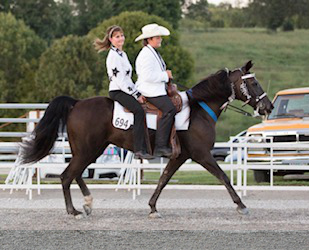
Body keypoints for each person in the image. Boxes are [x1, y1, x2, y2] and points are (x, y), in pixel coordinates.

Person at [94, 25, 153, 160]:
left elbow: (128, 79)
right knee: (138, 111)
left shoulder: (122, 54)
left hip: (125, 88)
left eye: (121, 35)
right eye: (117, 36)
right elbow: (120, 80)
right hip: (117, 90)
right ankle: (138, 148)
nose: (121, 38)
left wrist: (137, 90)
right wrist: (136, 95)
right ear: (111, 39)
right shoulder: (113, 56)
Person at [135, 23, 177, 158]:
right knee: (169, 109)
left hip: (155, 88)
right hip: (149, 90)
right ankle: (160, 146)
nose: (160, 39)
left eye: (159, 37)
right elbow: (147, 76)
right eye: (157, 37)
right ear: (149, 39)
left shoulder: (152, 52)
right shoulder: (146, 55)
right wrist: (166, 75)